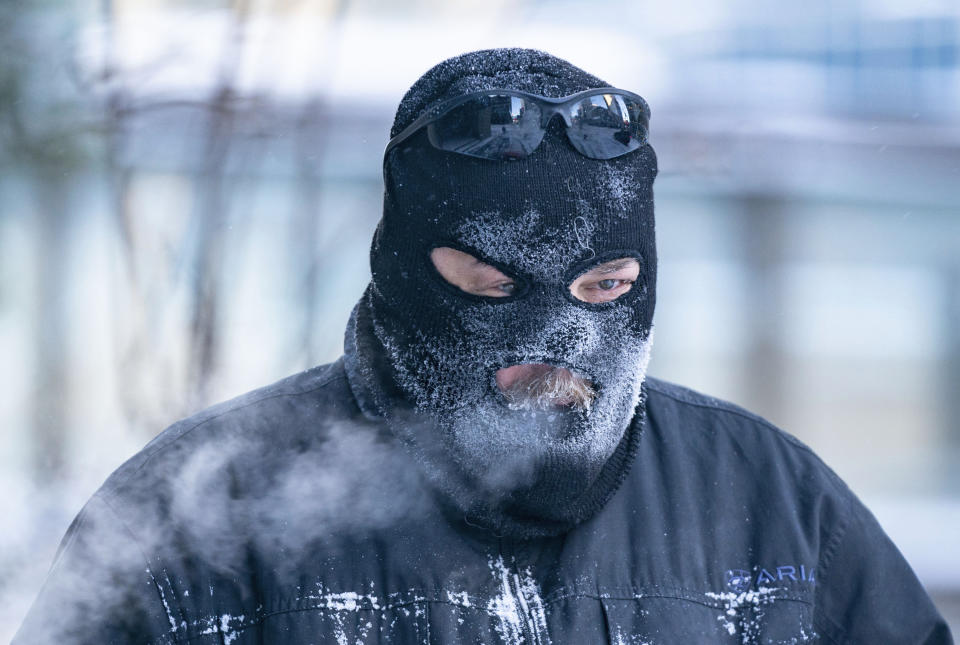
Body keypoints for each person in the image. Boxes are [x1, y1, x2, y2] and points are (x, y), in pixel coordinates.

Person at [15, 48, 952, 645]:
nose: (559, 340)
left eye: (605, 290)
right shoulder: (197, 522)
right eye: (494, 289)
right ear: (407, 269)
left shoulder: (773, 509)